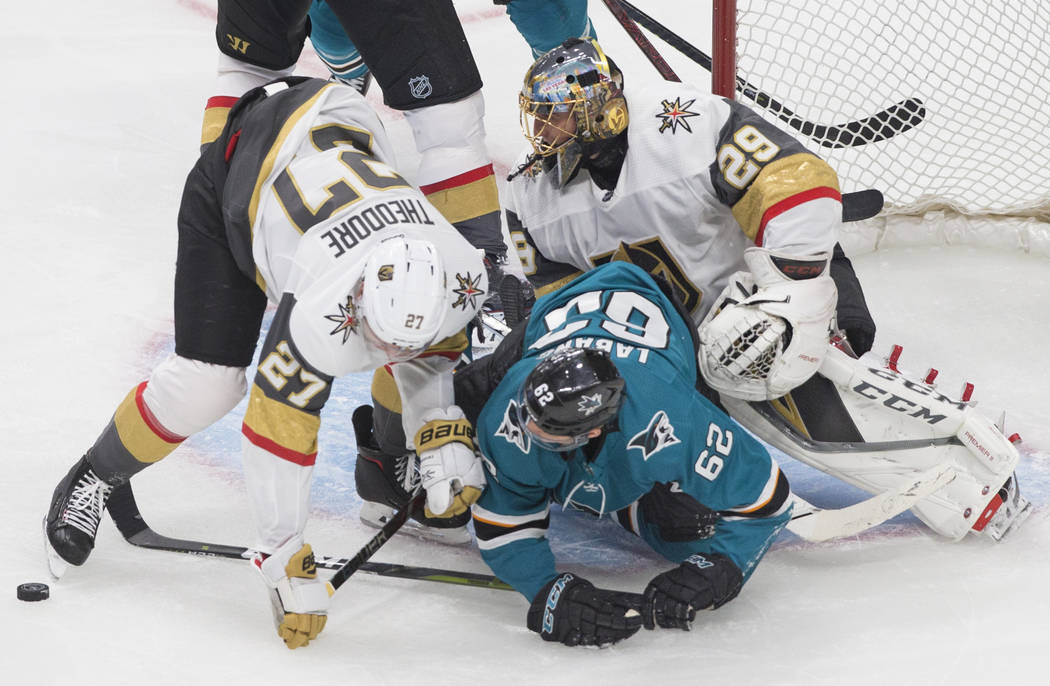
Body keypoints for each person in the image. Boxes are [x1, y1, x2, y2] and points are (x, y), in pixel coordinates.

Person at [502, 37, 1028, 542]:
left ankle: (971, 476)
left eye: (558, 113)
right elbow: (564, 302)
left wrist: (788, 300)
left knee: (825, 410)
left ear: (602, 112)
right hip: (662, 346)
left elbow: (800, 181)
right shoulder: (532, 196)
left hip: (747, 306)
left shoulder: (682, 125)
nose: (544, 131)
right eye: (541, 116)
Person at [44, 77, 488, 650]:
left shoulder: (460, 272)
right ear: (356, 299)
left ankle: (384, 470)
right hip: (241, 171)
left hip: (339, 124)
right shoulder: (321, 307)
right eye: (378, 335)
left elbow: (430, 354)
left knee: (408, 355)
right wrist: (283, 554)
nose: (390, 353)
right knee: (206, 386)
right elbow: (275, 435)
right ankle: (94, 475)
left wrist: (438, 430)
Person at [456, 261, 791, 647]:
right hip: (552, 314)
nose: (525, 431)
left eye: (549, 433)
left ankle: (622, 501)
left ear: (595, 429)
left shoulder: (675, 416)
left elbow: (767, 499)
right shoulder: (509, 411)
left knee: (689, 532)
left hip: (658, 314)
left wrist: (720, 568)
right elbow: (504, 523)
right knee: (435, 459)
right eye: (529, 418)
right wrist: (546, 593)